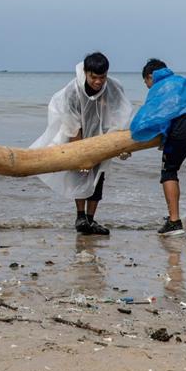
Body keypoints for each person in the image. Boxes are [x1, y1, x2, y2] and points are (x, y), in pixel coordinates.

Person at [31, 52, 133, 236]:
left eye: (102, 77)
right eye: (94, 77)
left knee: (98, 175)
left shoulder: (113, 87)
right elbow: (71, 123)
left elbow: (119, 114)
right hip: (76, 131)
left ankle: (91, 220)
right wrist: (80, 154)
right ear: (86, 72)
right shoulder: (73, 90)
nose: (98, 82)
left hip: (102, 133)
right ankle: (80, 217)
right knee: (79, 173)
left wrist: (117, 144)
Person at [130, 59, 186, 240]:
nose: (147, 86)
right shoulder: (183, 81)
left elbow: (148, 117)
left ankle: (174, 222)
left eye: (146, 82)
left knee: (169, 169)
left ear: (149, 77)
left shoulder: (159, 86)